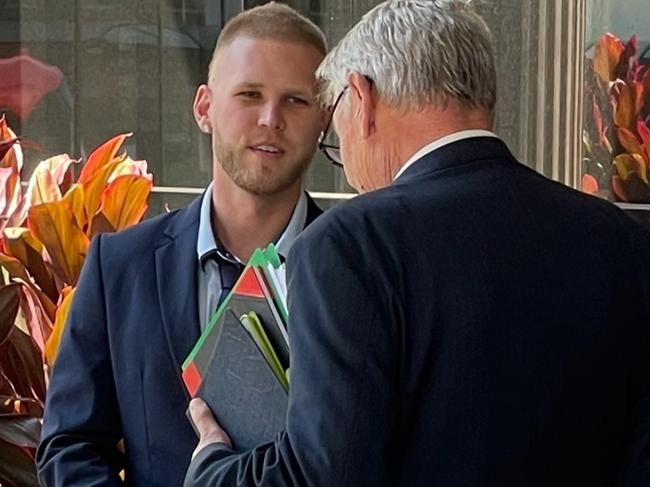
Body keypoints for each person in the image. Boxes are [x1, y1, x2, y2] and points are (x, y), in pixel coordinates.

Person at [183, 1, 650, 486]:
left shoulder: (351, 245)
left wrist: (212, 466)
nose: (345, 160)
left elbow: (327, 476)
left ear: (361, 99)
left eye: (335, 126)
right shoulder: (620, 241)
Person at [36, 3, 327, 486]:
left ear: (324, 121)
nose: (271, 118)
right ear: (204, 108)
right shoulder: (119, 269)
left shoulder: (362, 272)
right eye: (250, 94)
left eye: (296, 100)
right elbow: (70, 448)